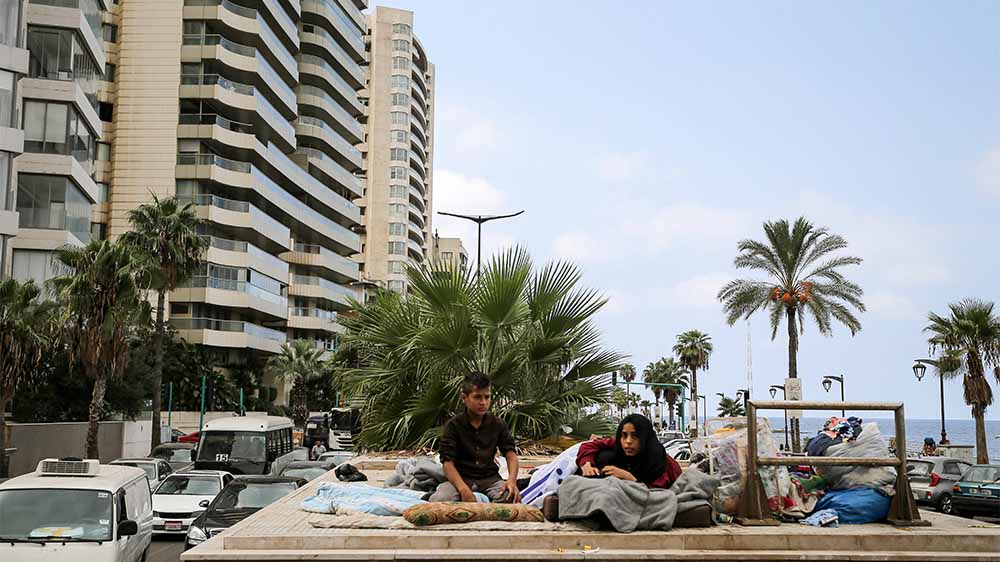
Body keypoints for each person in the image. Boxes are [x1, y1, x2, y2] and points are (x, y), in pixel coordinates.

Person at [430, 372, 521, 503]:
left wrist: (511, 481)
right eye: (477, 397)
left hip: (490, 479)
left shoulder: (498, 424)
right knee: (440, 500)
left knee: (510, 498)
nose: (483, 402)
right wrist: (463, 490)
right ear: (464, 397)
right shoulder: (453, 425)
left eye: (487, 397)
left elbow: (510, 454)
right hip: (461, 479)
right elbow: (447, 463)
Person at [576, 413, 682, 489]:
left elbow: (660, 495)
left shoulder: (665, 463)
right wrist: (586, 464)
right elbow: (588, 446)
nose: (628, 442)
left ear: (645, 438)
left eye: (635, 436)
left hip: (647, 509)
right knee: (605, 455)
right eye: (624, 436)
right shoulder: (618, 444)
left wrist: (629, 478)